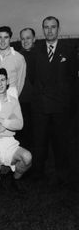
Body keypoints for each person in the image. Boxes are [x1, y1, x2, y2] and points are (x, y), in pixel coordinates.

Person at [31, 16, 77, 183]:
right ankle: (38, 174)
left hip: (60, 106)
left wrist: (68, 102)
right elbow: (32, 77)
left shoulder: (69, 49)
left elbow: (72, 78)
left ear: (58, 29)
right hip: (41, 106)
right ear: (43, 29)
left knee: (61, 141)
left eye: (53, 27)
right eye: (46, 27)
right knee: (40, 142)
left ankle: (62, 174)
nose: (49, 30)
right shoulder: (36, 50)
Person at [0, 68, 32, 194]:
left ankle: (16, 180)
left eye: (2, 80)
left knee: (27, 157)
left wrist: (0, 120)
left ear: (8, 81)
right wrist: (9, 122)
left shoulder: (13, 101)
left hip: (10, 141)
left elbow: (20, 125)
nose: (0, 84)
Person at [16, 28, 36, 152]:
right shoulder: (17, 56)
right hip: (21, 101)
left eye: (28, 38)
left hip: (37, 101)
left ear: (34, 39)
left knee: (37, 135)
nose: (25, 41)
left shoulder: (41, 54)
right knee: (22, 135)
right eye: (23, 39)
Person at [0, 26, 26, 98]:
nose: (2, 41)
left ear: (10, 39)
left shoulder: (19, 58)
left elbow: (20, 83)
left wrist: (13, 98)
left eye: (6, 37)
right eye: (0, 37)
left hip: (11, 100)